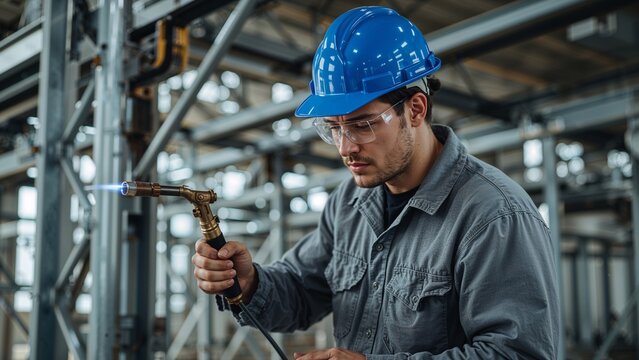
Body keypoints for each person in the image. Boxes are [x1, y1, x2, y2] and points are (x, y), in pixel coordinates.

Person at [192, 6, 560, 359]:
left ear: (416, 109)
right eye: (333, 128)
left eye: (362, 125)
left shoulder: (493, 215)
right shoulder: (348, 204)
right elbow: (302, 291)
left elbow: (516, 353)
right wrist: (250, 281)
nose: (345, 147)